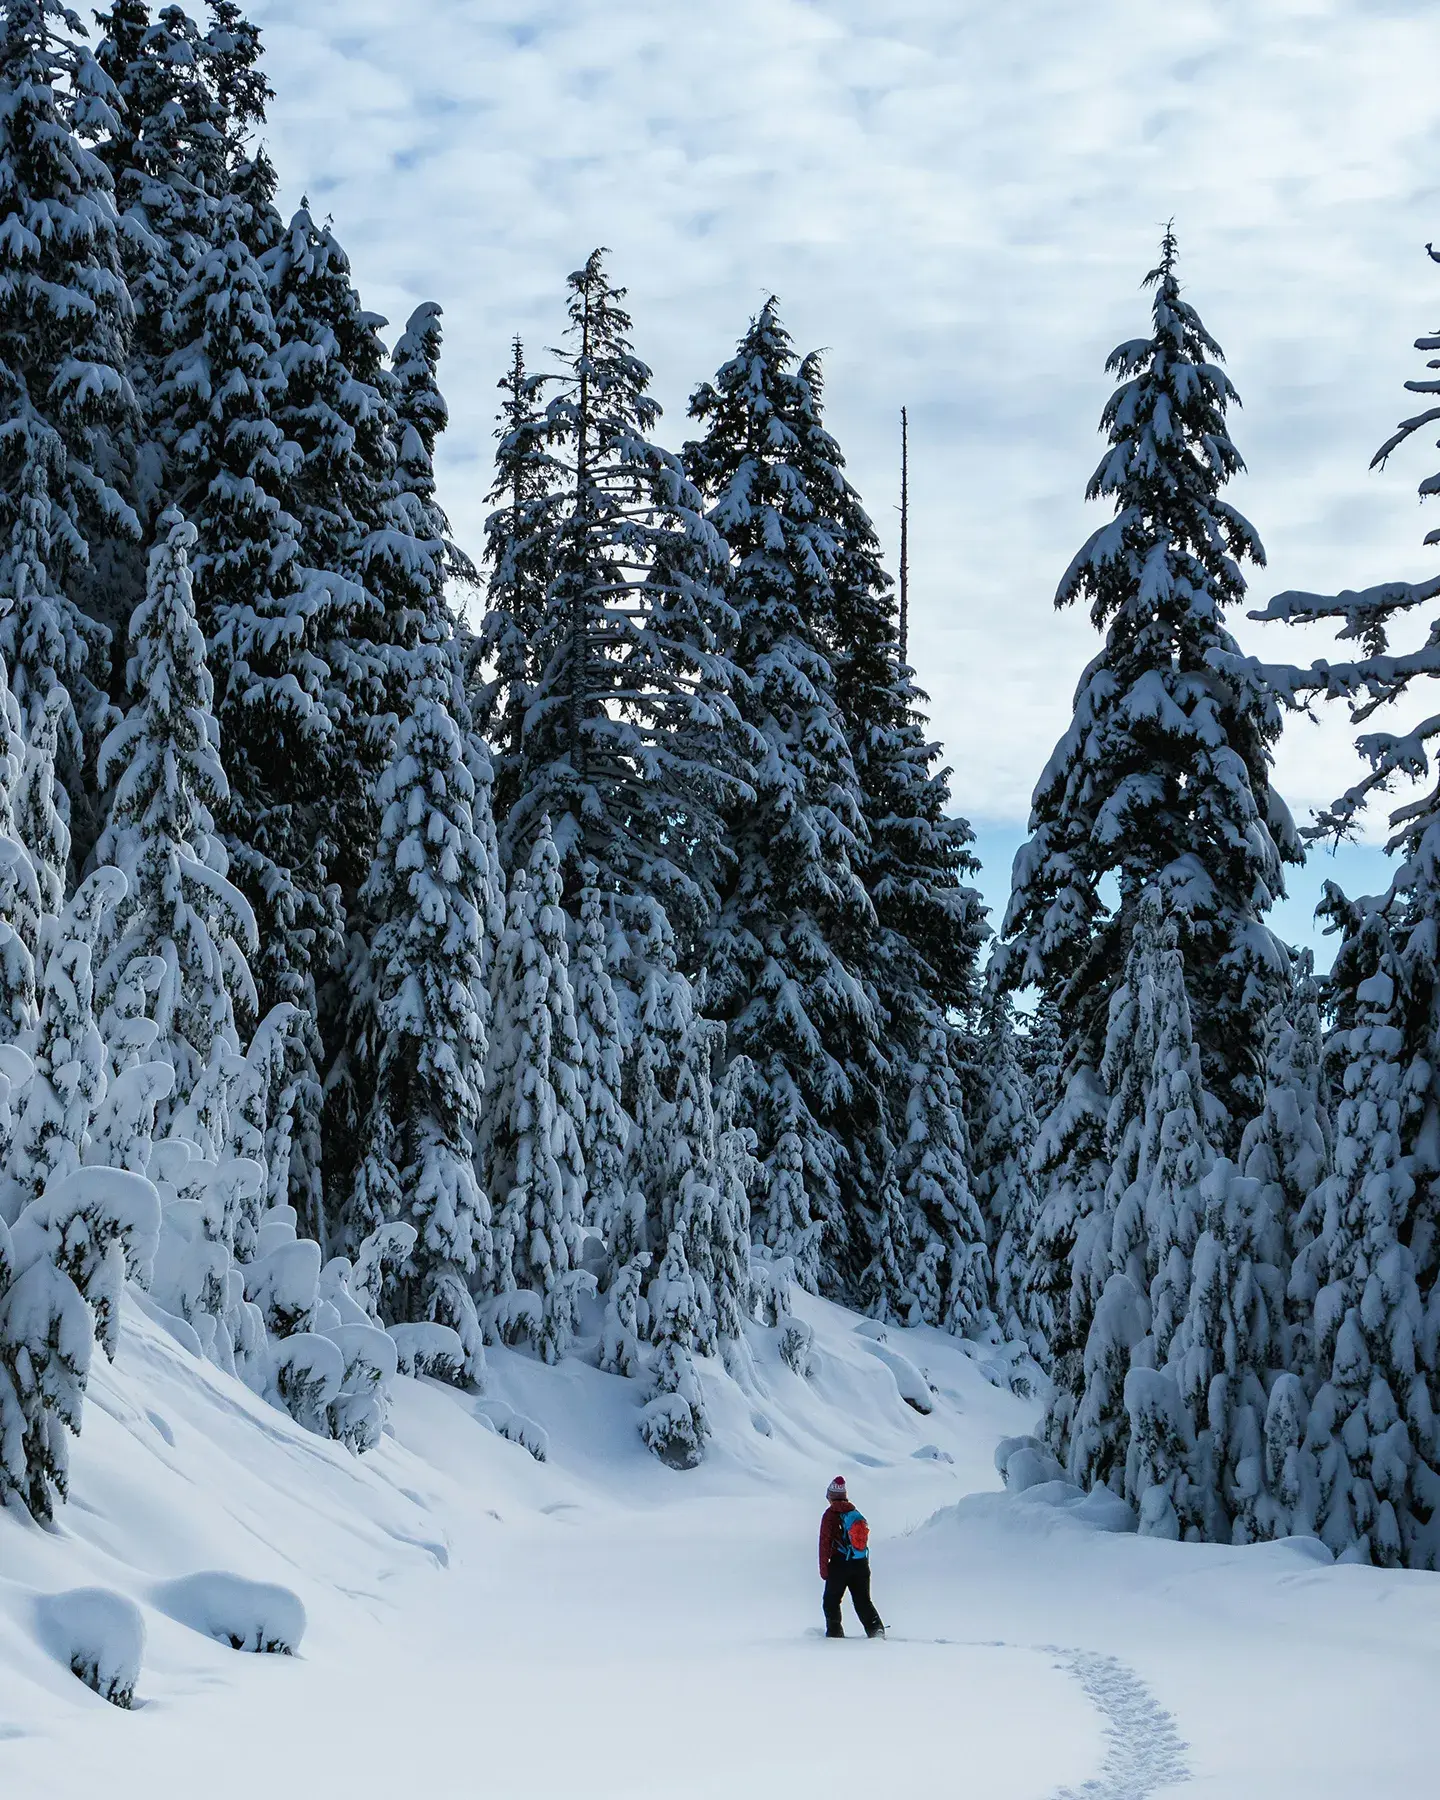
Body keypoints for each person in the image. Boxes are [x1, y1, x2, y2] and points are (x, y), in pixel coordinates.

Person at [819, 1475, 884, 1639]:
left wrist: (824, 1570)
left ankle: (835, 1635)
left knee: (831, 1601)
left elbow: (824, 1544)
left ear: (831, 1496)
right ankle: (876, 1631)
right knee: (863, 1601)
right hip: (860, 1563)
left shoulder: (830, 1515)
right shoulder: (854, 1512)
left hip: (839, 1565)